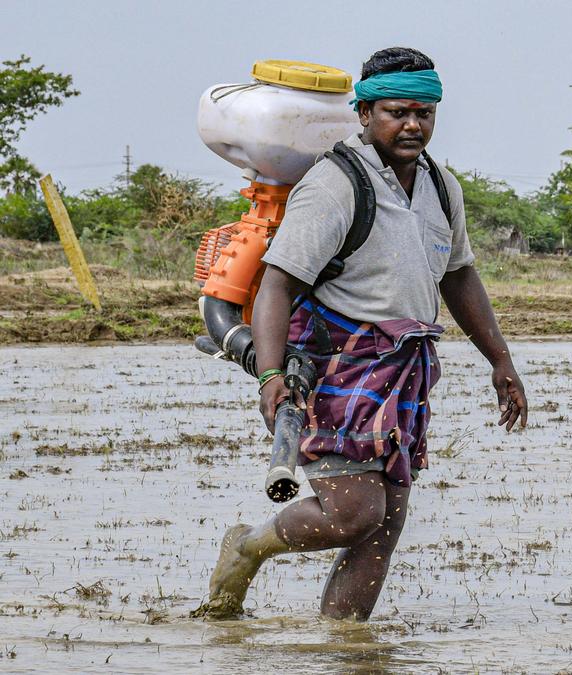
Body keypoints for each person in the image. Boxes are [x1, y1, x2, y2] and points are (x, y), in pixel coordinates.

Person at [192, 47, 528, 622]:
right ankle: (247, 546)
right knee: (352, 513)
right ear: (365, 113)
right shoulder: (335, 184)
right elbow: (277, 283)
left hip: (407, 365)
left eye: (425, 112)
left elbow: (459, 273)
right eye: (398, 112)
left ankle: (347, 650)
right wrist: (271, 374)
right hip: (339, 362)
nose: (413, 125)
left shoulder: (440, 185)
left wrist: (500, 361)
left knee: (383, 526)